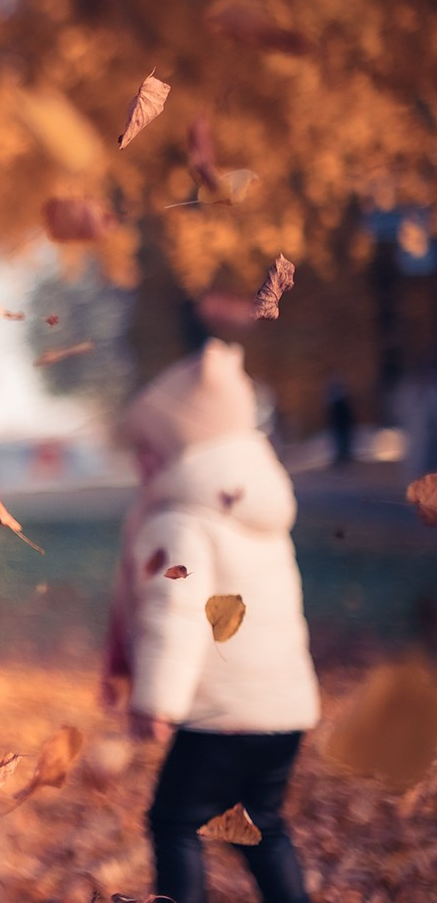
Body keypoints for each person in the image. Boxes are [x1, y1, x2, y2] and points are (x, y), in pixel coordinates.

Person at [102, 338, 319, 903]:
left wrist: (157, 700)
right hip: (284, 711)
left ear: (187, 451)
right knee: (259, 826)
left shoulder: (179, 521)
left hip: (223, 716)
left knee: (175, 821)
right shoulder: (255, 514)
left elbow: (176, 613)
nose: (140, 463)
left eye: (151, 449)